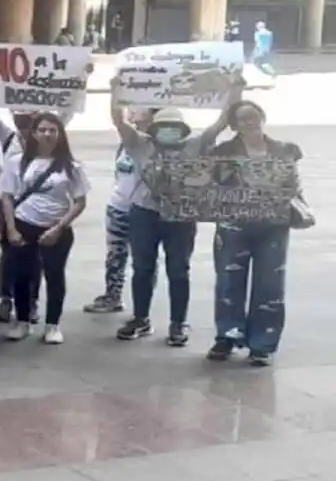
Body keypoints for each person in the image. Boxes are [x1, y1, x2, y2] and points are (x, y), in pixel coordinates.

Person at [108, 82, 238, 346]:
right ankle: (140, 318)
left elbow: (223, 121)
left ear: (182, 130)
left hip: (181, 217)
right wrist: (116, 92)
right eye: (164, 127)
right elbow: (118, 120)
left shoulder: (195, 145)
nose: (169, 132)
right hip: (144, 213)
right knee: (142, 268)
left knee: (178, 270)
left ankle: (179, 322)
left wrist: (235, 91)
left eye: (174, 128)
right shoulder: (140, 144)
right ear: (154, 129)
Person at [208, 101, 300, 366]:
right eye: (242, 118)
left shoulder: (284, 150)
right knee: (228, 281)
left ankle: (263, 344)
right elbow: (211, 186)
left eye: (254, 116)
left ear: (263, 117)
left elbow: (293, 184)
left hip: (273, 226)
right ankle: (227, 336)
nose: (250, 122)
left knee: (270, 285)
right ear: (234, 124)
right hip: (233, 225)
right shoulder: (223, 152)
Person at [0, 113, 89, 344]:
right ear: (34, 133)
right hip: (23, 224)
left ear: (60, 135)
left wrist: (59, 228)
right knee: (21, 276)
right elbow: (7, 197)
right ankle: (23, 321)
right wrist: (11, 229)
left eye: (52, 130)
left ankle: (52, 325)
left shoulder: (72, 166)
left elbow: (79, 202)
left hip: (56, 228)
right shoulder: (16, 162)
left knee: (54, 276)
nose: (47, 134)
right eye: (42, 130)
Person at [84, 108, 155, 314]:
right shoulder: (125, 142)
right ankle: (113, 295)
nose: (133, 111)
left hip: (141, 209)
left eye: (138, 108)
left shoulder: (152, 143)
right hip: (118, 205)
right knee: (115, 254)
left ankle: (142, 308)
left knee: (143, 261)